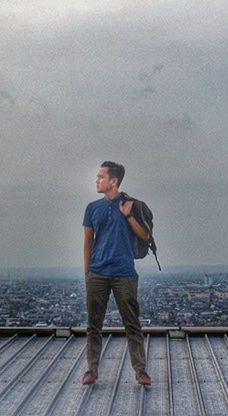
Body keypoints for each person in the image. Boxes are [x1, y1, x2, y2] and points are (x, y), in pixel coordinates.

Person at [82, 161, 152, 386]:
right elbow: (88, 241)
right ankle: (91, 370)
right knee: (94, 324)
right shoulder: (92, 208)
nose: (97, 180)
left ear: (114, 181)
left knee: (132, 322)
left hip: (124, 273)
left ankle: (140, 371)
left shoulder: (130, 205)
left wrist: (129, 215)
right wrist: (88, 273)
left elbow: (145, 236)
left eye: (101, 177)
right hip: (98, 273)